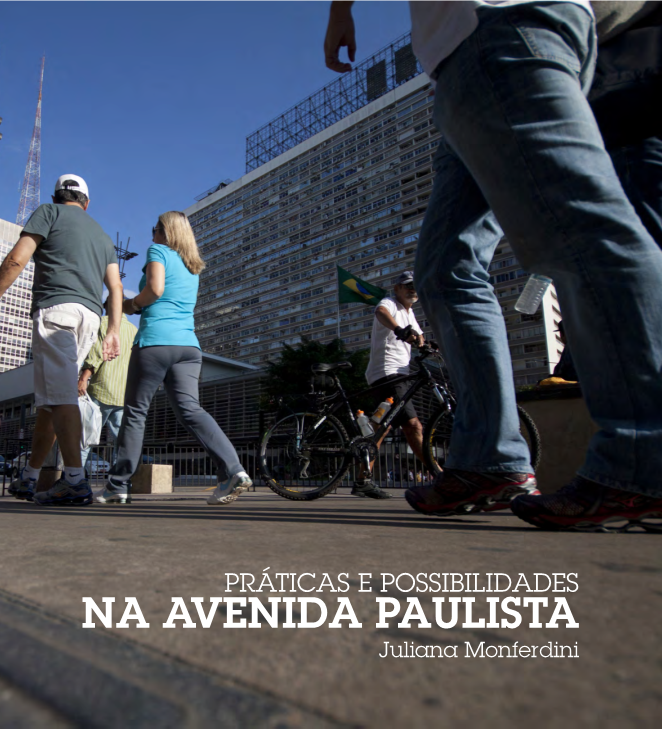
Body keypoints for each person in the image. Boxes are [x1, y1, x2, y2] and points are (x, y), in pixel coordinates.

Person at [326, 2, 662, 527]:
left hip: (495, 29)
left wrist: (339, 9)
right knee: (444, 269)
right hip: (464, 62)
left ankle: (645, 454)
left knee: (580, 228)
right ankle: (491, 459)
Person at [0, 174, 123, 506]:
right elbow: (116, 288)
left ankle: (75, 481)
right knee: (51, 402)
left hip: (57, 311)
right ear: (86, 202)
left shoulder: (48, 213)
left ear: (57, 197)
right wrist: (112, 330)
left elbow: (16, 259)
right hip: (91, 316)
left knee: (61, 395)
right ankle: (29, 478)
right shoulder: (102, 235)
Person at [100, 211, 254, 506]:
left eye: (154, 228)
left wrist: (131, 305)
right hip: (188, 349)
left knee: (135, 414)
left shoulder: (158, 250)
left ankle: (117, 485)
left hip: (155, 344)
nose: (151, 234)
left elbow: (155, 289)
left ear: (164, 231)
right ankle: (234, 471)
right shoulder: (192, 266)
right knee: (191, 411)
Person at [355, 271, 426, 500]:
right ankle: (440, 474)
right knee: (413, 425)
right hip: (388, 373)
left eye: (415, 286)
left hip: (397, 374)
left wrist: (426, 343)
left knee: (380, 428)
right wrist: (398, 330)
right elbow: (380, 312)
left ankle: (362, 479)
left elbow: (419, 336)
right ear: (397, 289)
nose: (412, 290)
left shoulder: (409, 312)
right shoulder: (390, 303)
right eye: (407, 286)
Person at [78, 299, 138, 472]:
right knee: (122, 442)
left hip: (101, 389)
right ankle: (119, 482)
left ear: (107, 308)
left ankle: (76, 480)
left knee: (85, 437)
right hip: (124, 394)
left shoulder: (103, 324)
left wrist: (83, 378)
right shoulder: (134, 331)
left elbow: (96, 354)